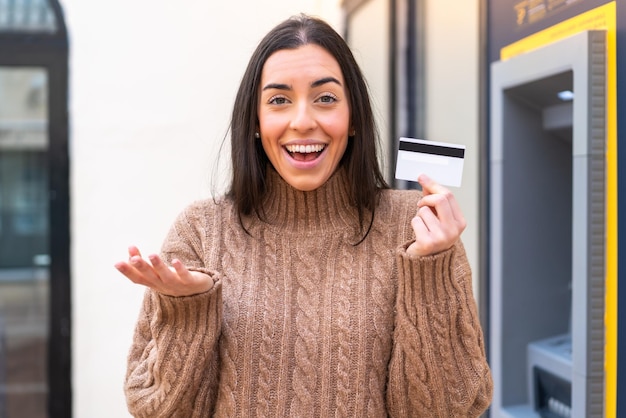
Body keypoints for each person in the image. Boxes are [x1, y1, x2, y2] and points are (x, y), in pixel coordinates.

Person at [114, 13, 493, 418]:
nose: (302, 121)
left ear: (353, 120)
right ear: (256, 123)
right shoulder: (201, 230)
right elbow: (158, 410)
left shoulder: (415, 225)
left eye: (325, 98)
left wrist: (430, 271)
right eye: (278, 100)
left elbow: (447, 410)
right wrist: (188, 311)